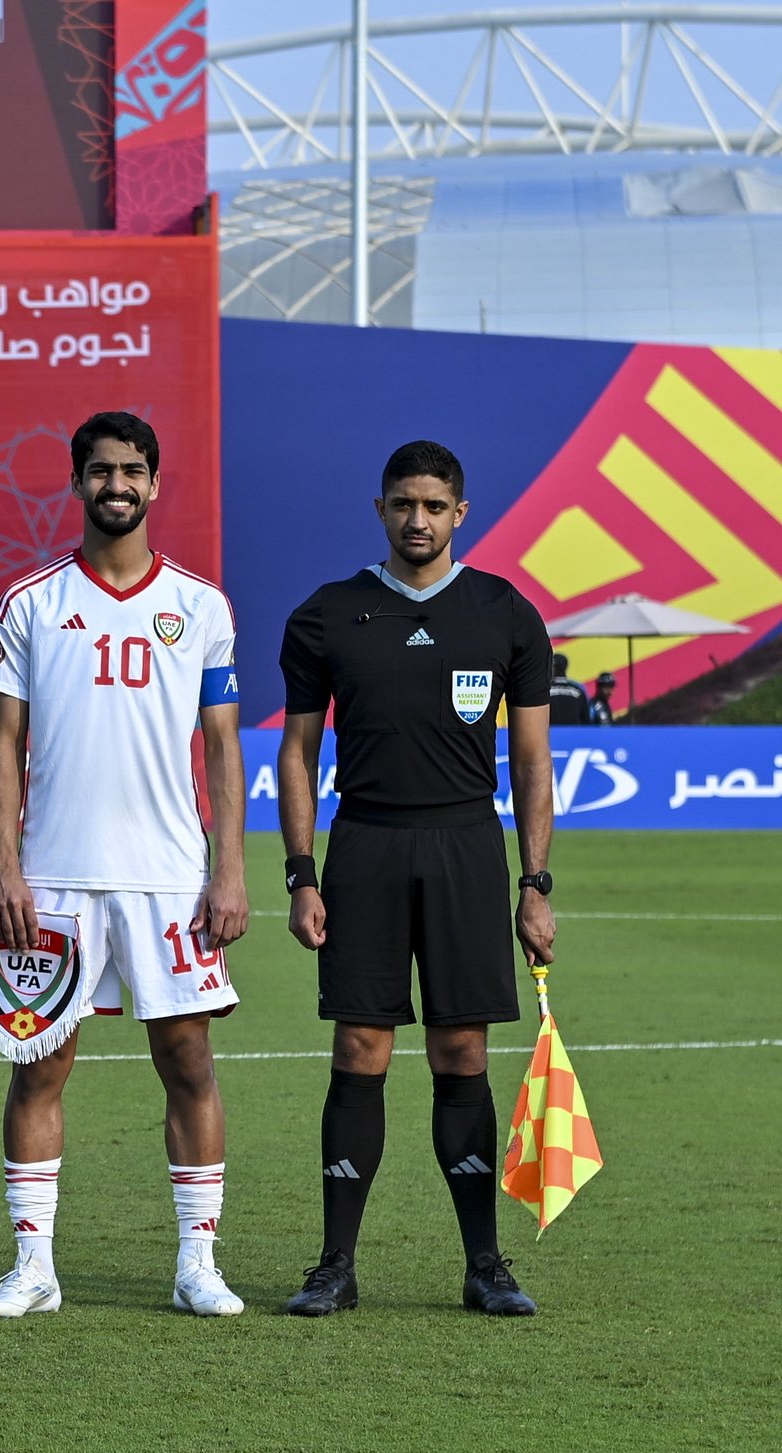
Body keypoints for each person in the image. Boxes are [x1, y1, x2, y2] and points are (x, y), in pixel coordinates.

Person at [0, 411, 250, 1320]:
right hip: (53, 873)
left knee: (189, 1062)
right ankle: (34, 1266)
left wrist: (229, 870)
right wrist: (3, 867)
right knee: (39, 1066)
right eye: (101, 471)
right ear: (77, 482)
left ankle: (196, 1265)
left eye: (133, 470)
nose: (117, 485)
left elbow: (220, 750)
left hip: (169, 876)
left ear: (155, 484)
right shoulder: (30, 603)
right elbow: (2, 746)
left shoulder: (203, 607)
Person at [277, 439, 554, 1319]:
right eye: (403, 504)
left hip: (468, 848)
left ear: (459, 513)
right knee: (360, 1049)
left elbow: (535, 763)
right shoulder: (329, 615)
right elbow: (296, 752)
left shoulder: (505, 614)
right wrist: (301, 873)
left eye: (434, 506)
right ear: (380, 509)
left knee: (461, 1051)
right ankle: (335, 1266)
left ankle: (485, 1266)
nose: (418, 519)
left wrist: (534, 881)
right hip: (365, 848)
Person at [545, 653, 590, 726]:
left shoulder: (545, 689)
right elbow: (587, 719)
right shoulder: (578, 689)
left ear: (553, 668)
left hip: (550, 734)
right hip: (574, 735)